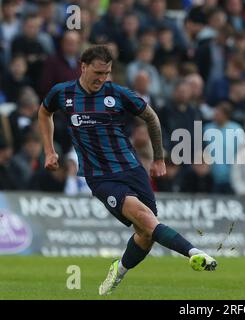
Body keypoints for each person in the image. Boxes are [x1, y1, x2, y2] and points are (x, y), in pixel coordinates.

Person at [38, 45, 217, 296]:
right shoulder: (63, 93)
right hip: (100, 176)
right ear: (83, 67)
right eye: (97, 72)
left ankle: (118, 271)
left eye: (107, 73)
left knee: (146, 233)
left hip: (132, 169)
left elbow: (151, 118)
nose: (102, 78)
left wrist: (158, 158)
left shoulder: (118, 94)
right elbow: (44, 113)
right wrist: (49, 150)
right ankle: (194, 253)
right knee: (145, 218)